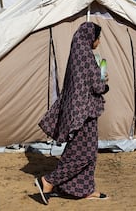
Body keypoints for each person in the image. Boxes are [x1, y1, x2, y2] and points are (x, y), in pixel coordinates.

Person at [35, 22, 109, 205]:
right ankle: (49, 181)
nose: (98, 42)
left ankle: (82, 189)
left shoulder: (76, 53)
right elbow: (97, 86)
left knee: (80, 151)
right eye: (97, 38)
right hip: (85, 113)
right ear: (90, 38)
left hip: (78, 111)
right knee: (85, 153)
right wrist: (104, 80)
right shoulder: (86, 55)